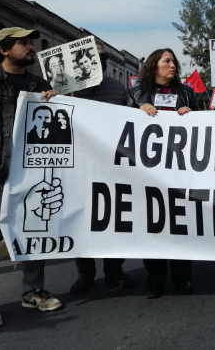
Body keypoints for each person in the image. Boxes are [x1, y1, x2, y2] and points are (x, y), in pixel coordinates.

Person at [0, 27, 62, 329]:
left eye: (31, 42)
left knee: (34, 228)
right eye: (23, 43)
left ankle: (32, 291)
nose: (30, 47)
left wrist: (57, 103)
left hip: (31, 173)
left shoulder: (39, 84)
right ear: (4, 49)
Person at [127, 48, 199, 298]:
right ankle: (155, 276)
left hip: (180, 171)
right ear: (153, 65)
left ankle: (182, 278)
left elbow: (203, 128)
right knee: (153, 224)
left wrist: (191, 116)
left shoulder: (187, 93)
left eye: (174, 62)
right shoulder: (136, 94)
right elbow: (118, 126)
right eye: (167, 61)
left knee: (181, 223)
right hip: (147, 172)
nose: (173, 65)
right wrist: (136, 113)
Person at [69, 42, 135, 293]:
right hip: (78, 168)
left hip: (111, 167)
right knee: (80, 220)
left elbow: (133, 123)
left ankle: (114, 270)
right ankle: (85, 273)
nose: (95, 61)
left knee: (111, 219)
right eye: (89, 58)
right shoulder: (67, 90)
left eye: (100, 57)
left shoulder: (118, 89)